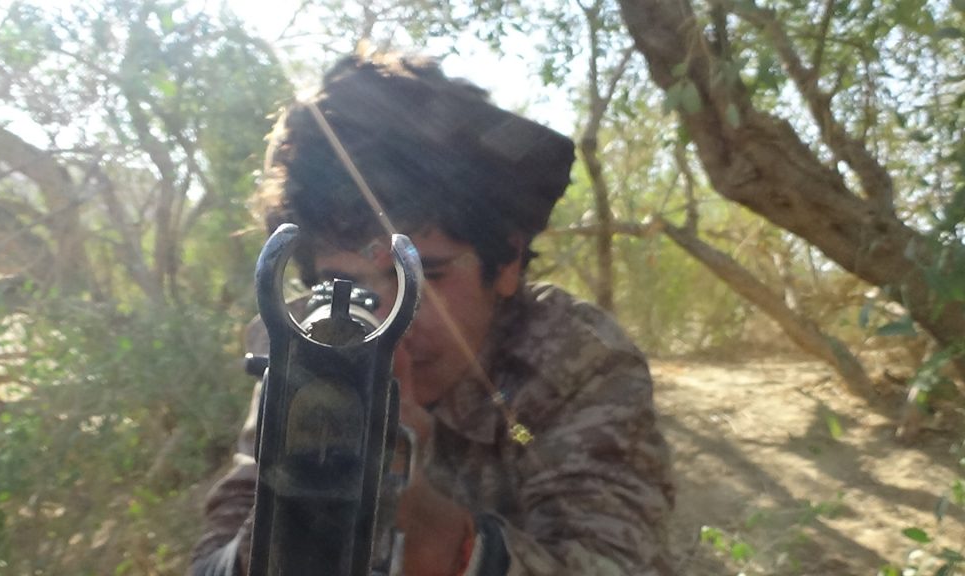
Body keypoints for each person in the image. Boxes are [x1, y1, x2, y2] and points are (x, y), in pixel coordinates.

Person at [190, 51, 675, 576]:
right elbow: (215, 552)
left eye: (425, 278)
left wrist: (428, 535)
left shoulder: (577, 364)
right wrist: (282, 522)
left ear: (506, 262)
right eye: (345, 285)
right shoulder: (307, 345)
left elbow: (615, 559)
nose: (386, 324)